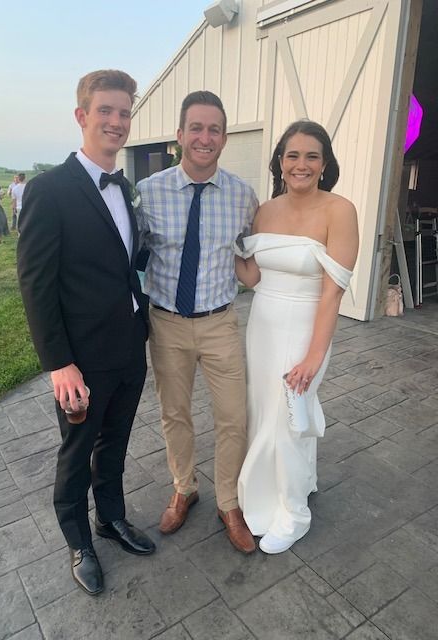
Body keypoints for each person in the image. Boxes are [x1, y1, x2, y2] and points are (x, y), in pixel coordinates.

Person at [17, 69, 155, 597]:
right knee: (76, 454)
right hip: (81, 358)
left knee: (115, 443)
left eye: (124, 112)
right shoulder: (49, 190)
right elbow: (36, 284)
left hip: (129, 345)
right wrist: (59, 363)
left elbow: (124, 263)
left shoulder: (125, 188)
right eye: (106, 111)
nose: (116, 121)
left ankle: (110, 518)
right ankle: (79, 542)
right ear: (82, 116)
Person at [136, 91, 259, 554]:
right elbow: (129, 253)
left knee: (233, 416)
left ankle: (229, 502)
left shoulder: (243, 197)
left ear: (224, 139)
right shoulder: (149, 193)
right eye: (196, 128)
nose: (205, 138)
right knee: (175, 413)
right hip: (167, 323)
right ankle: (184, 488)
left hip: (219, 323)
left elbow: (254, 253)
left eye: (214, 130)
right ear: (179, 135)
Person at [235, 120, 359, 554]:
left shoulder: (339, 210)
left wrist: (313, 356)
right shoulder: (265, 211)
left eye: (311, 156)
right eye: (292, 155)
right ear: (280, 162)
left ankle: (293, 514)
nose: (301, 164)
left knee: (289, 416)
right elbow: (253, 277)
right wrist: (223, 247)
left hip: (307, 326)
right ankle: (287, 486)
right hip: (262, 325)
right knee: (264, 410)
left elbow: (332, 294)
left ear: (324, 164)